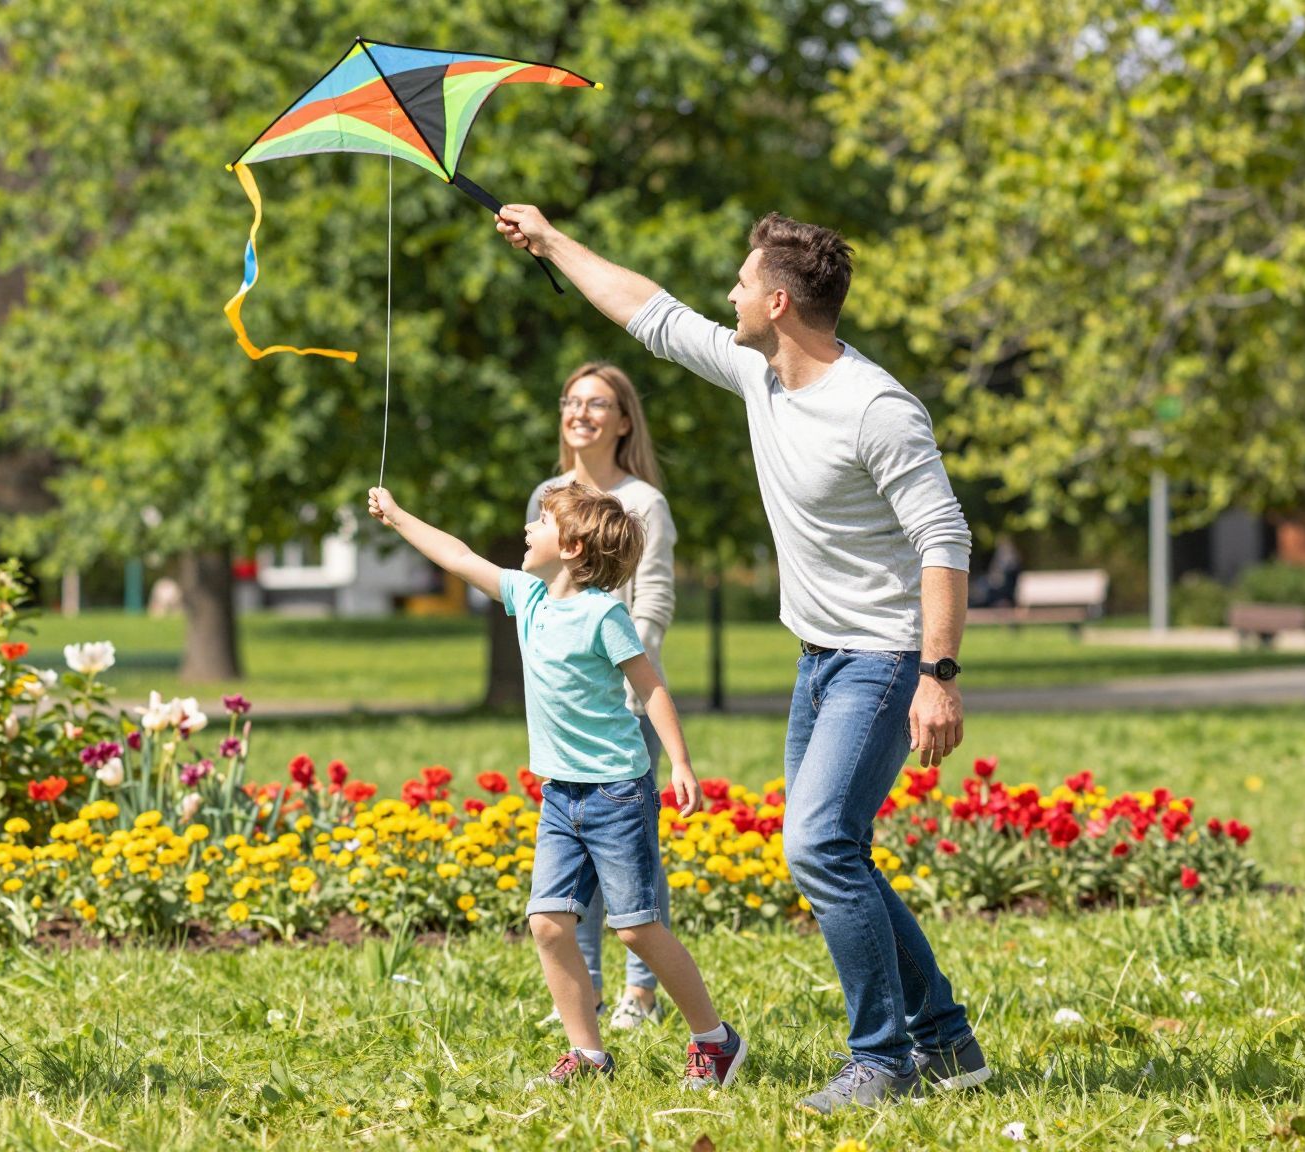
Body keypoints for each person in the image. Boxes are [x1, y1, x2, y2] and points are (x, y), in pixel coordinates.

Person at [495, 205, 989, 1112]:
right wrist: (553, 242)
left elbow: (944, 537)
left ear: (777, 300)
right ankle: (948, 1042)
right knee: (840, 851)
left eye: (739, 281)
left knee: (818, 846)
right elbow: (649, 310)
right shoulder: (760, 373)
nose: (725, 294)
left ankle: (881, 1060)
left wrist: (938, 675)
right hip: (818, 658)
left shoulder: (876, 407)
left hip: (883, 655)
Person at [368, 482, 745, 1091]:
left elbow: (650, 688)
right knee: (547, 922)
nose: (527, 529)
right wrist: (398, 515)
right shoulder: (529, 597)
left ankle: (715, 1040)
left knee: (636, 927)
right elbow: (459, 557)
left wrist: (679, 762)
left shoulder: (605, 614)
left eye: (540, 522)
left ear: (570, 546)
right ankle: (588, 1054)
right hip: (561, 796)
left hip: (617, 793)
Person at [528, 362, 677, 1033]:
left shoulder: (643, 502)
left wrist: (619, 673)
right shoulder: (548, 495)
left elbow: (654, 600)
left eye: (598, 403)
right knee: (571, 861)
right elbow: (536, 592)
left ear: (623, 420)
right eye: (571, 401)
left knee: (628, 855)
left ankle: (640, 993)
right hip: (567, 703)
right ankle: (582, 997)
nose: (581, 412)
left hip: (621, 701)